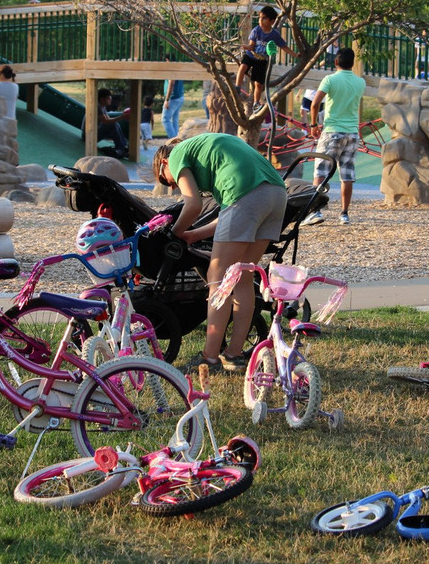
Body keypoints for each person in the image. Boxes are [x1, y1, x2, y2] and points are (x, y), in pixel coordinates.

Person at [154, 133, 287, 374]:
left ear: (163, 163)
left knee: (218, 277)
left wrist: (173, 234)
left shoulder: (175, 155)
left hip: (246, 195)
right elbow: (234, 214)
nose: (173, 187)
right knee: (243, 277)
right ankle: (234, 355)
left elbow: (193, 205)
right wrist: (193, 235)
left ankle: (210, 357)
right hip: (277, 194)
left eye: (168, 182)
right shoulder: (208, 155)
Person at [301, 47, 366, 226]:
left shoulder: (330, 79)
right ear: (352, 64)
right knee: (347, 173)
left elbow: (314, 104)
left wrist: (313, 124)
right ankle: (344, 214)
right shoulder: (361, 83)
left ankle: (316, 211)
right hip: (352, 132)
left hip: (332, 131)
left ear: (336, 62)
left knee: (320, 171)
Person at [236, 6, 297, 111]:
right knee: (243, 67)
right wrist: (246, 47)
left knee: (258, 84)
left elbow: (283, 46)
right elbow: (252, 46)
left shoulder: (274, 35)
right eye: (259, 17)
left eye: (263, 18)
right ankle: (237, 87)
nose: (260, 20)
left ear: (271, 21)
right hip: (251, 55)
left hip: (262, 60)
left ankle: (256, 103)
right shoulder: (256, 30)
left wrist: (295, 54)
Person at [85, 87, 129, 157]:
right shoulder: (97, 107)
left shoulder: (102, 107)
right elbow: (106, 122)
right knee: (113, 125)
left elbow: (109, 120)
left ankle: (122, 146)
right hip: (88, 136)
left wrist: (121, 117)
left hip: (94, 133)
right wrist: (122, 117)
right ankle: (121, 147)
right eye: (108, 98)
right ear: (102, 99)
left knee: (115, 124)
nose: (110, 100)